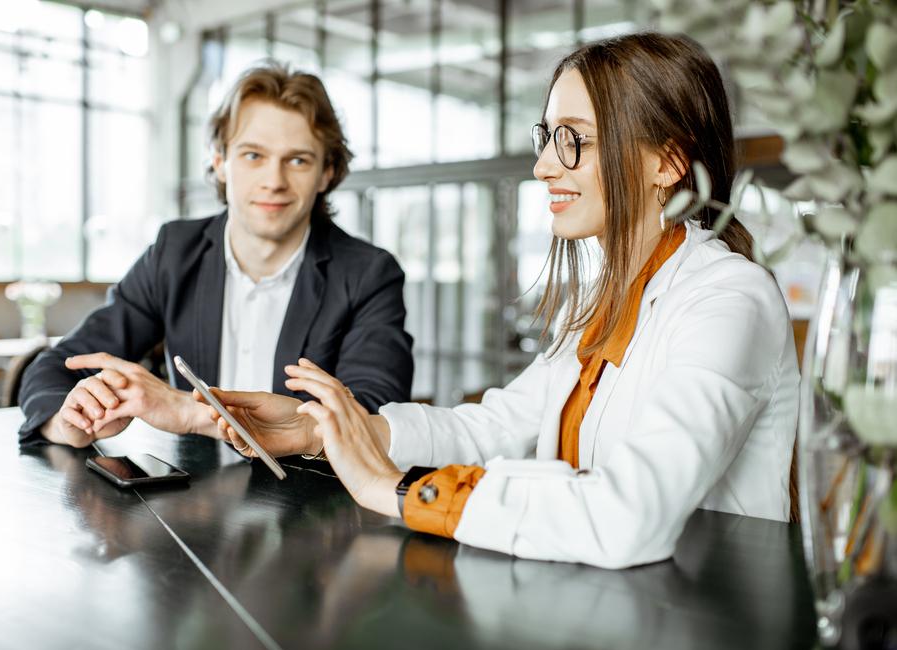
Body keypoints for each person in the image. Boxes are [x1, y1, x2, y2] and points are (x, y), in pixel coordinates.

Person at [199, 32, 800, 568]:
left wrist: (398, 490)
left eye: (575, 142)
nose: (543, 166)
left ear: (667, 161)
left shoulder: (730, 300)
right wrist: (327, 431)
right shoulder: (602, 301)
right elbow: (497, 426)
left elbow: (629, 515)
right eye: (548, 138)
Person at [17, 64, 414, 448]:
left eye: (297, 160)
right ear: (221, 162)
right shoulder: (175, 252)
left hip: (315, 501)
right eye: (253, 155)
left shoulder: (368, 274)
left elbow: (372, 417)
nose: (273, 181)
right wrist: (71, 423)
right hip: (194, 502)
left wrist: (191, 414)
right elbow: (54, 369)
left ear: (327, 173)